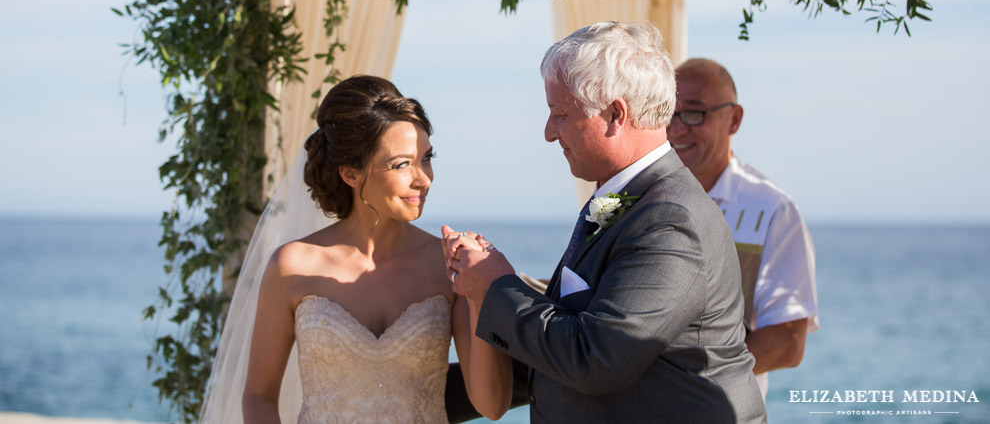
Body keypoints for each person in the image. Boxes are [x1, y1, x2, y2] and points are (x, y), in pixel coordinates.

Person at [443, 22, 767, 423]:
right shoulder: (623, 197)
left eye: (560, 113)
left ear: (616, 114)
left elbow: (597, 360)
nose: (548, 133)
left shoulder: (670, 219)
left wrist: (495, 285)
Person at [200, 75, 511, 423]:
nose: (423, 178)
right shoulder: (291, 265)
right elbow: (259, 395)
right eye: (401, 164)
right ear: (351, 173)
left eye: (426, 158)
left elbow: (492, 405)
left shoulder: (445, 265)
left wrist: (480, 292)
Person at [669, 58, 819, 399]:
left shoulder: (771, 209)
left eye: (694, 113)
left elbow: (788, 340)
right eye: (667, 113)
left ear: (733, 119)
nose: (676, 129)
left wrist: (684, 386)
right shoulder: (634, 196)